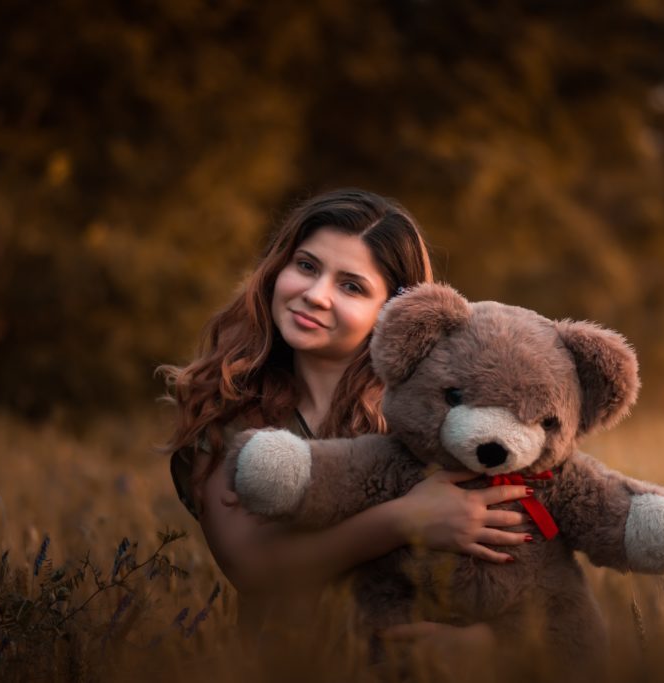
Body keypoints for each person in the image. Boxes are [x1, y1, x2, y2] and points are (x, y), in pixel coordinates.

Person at [160, 188, 532, 651]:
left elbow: (526, 576)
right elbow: (255, 570)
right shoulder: (225, 412)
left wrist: (482, 647)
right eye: (307, 266)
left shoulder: (440, 421)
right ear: (279, 268)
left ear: (393, 310)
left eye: (351, 286)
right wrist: (403, 519)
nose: (315, 295)